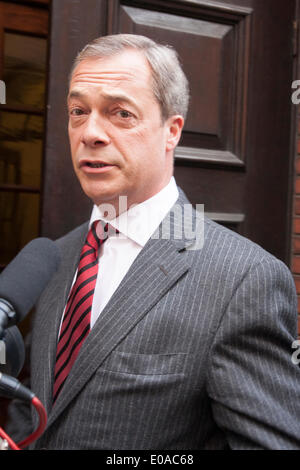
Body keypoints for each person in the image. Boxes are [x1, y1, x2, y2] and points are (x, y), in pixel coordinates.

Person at [6, 34, 300, 450]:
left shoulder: (242, 280)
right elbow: (35, 405)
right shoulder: (53, 257)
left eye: (120, 113)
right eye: (77, 111)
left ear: (172, 131)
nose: (90, 132)